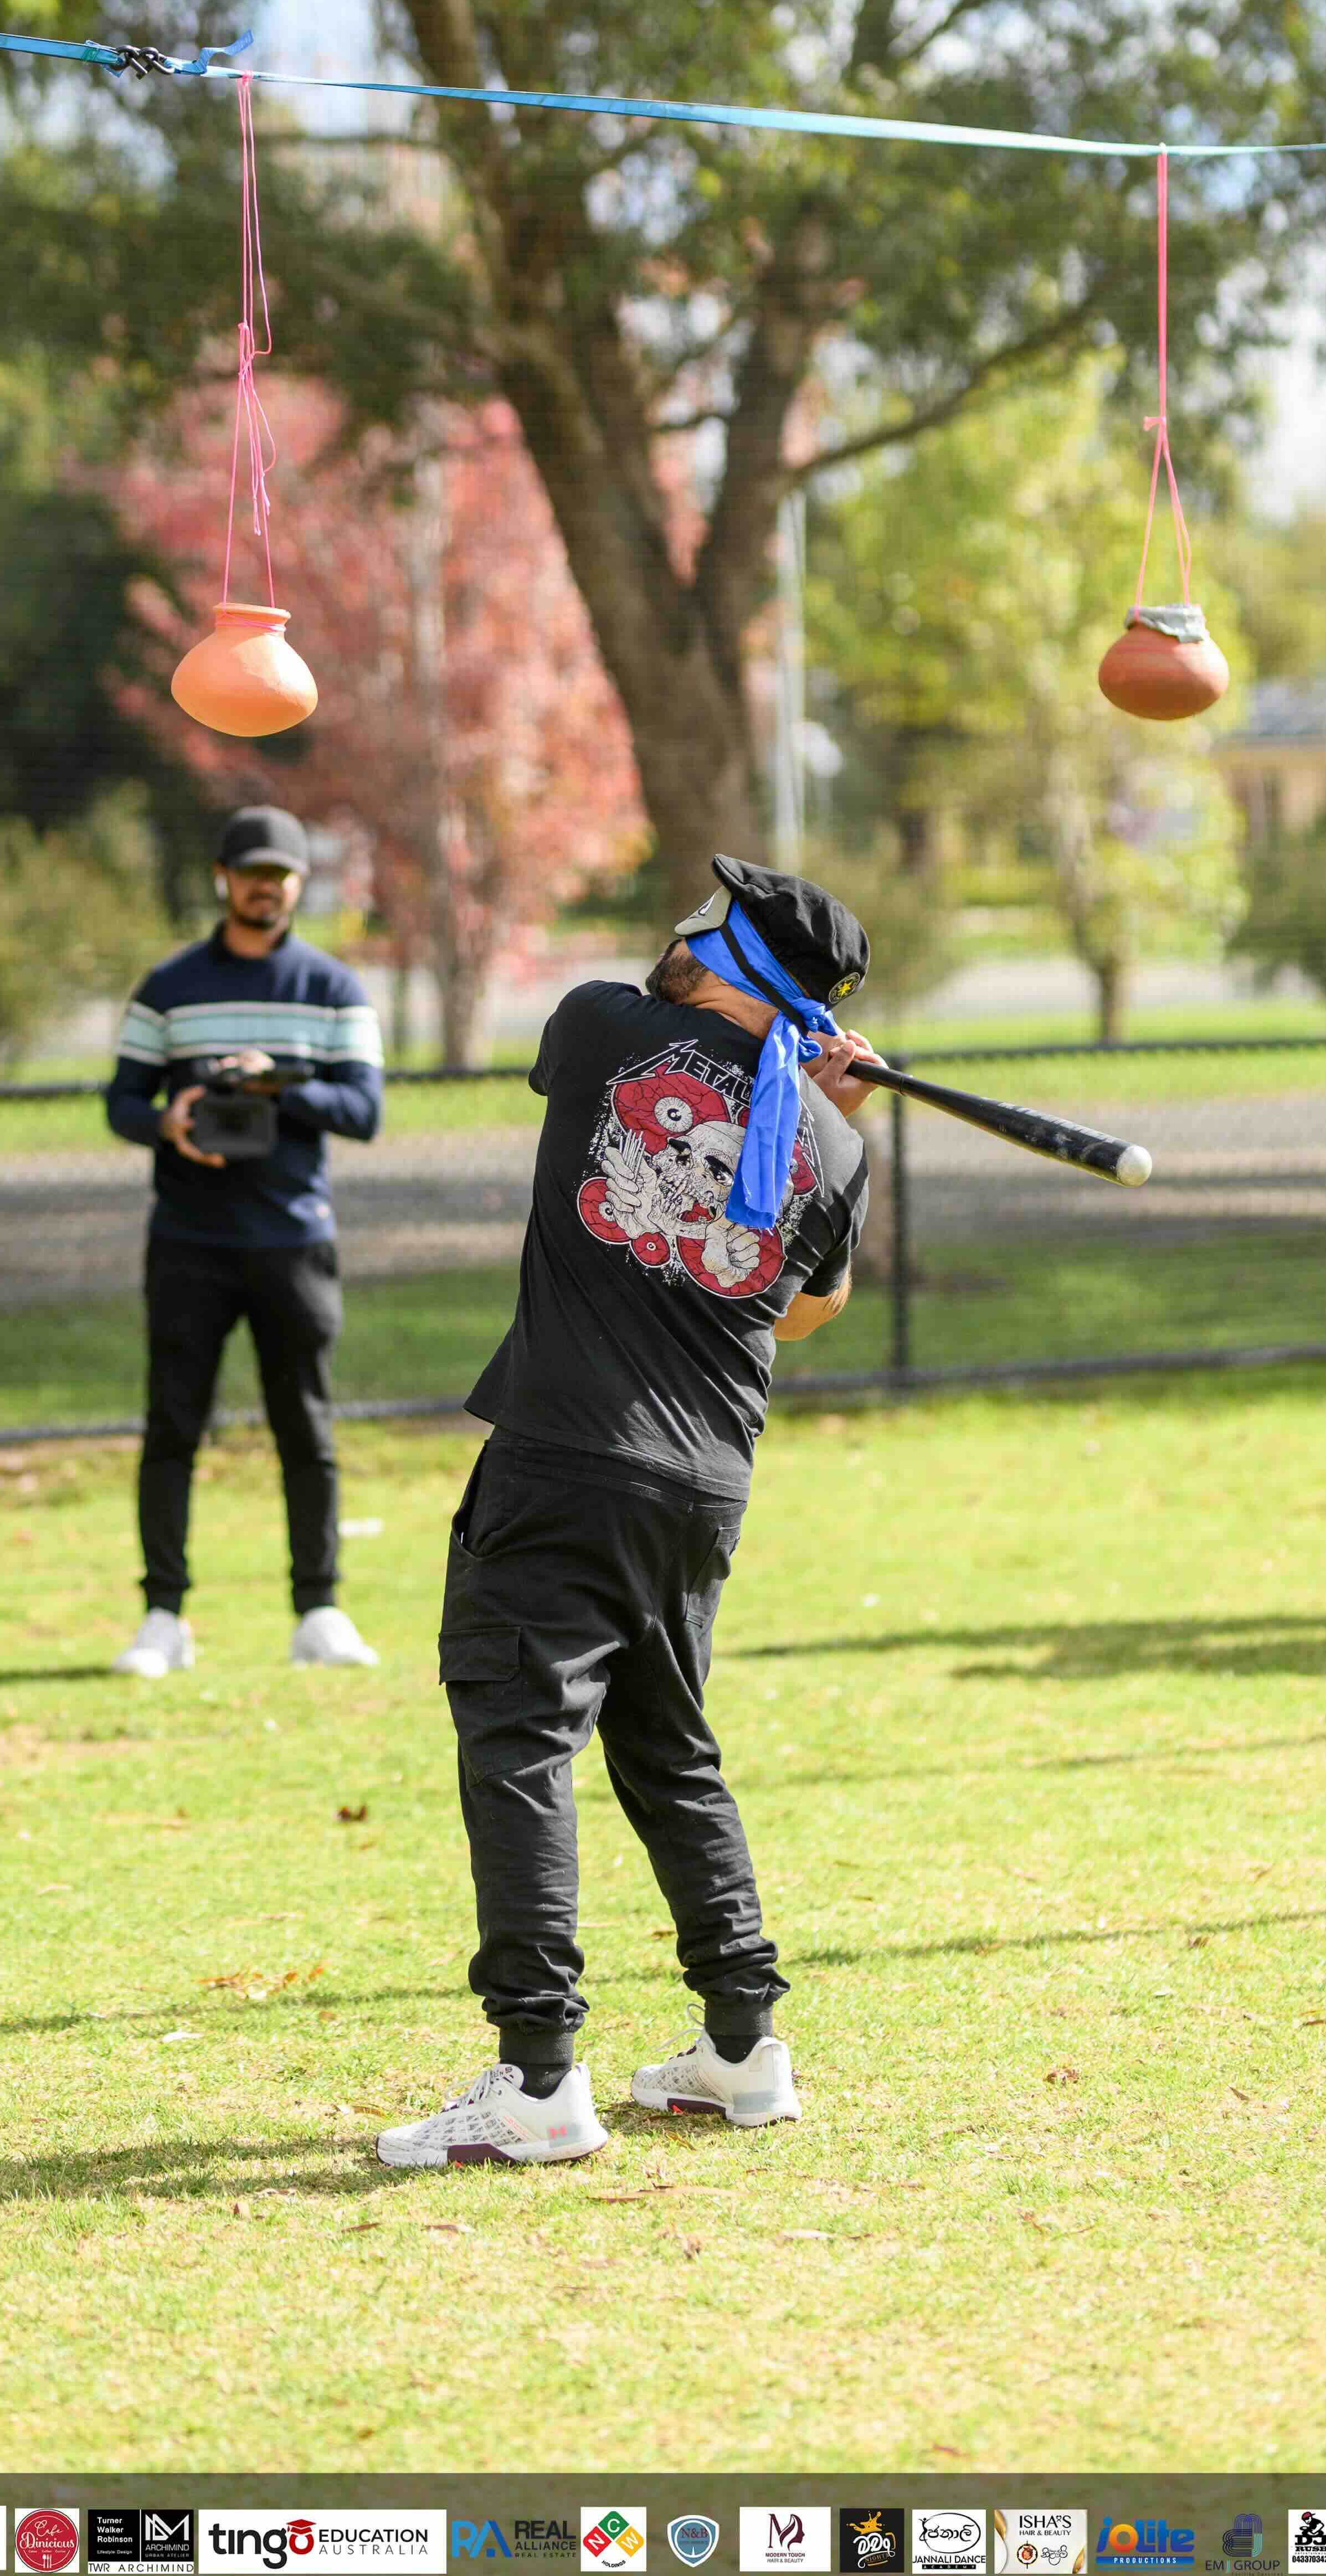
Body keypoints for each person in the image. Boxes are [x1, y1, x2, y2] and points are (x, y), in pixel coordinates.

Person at [378, 857, 880, 2170]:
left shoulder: (600, 1026)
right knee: (668, 1752)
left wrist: (776, 1085)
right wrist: (805, 1107)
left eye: (703, 923)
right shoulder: (835, 1142)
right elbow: (801, 1310)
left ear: (734, 958)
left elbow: (641, 1092)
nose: (678, 929)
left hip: (565, 1458)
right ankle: (739, 2047)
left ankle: (538, 2078)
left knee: (518, 1739)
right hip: (699, 1485)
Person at [104, 804, 385, 1676]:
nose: (266, 887)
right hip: (188, 1238)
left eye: (281, 874)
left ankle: (319, 1610)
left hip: (293, 1241)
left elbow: (365, 1111)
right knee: (172, 1428)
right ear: (223, 878)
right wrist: (171, 1120)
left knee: (306, 1426)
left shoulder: (334, 990)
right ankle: (162, 1616)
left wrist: (279, 1085)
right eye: (251, 872)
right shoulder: (168, 986)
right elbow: (121, 1102)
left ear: (299, 884)